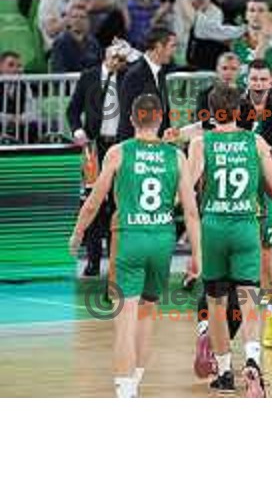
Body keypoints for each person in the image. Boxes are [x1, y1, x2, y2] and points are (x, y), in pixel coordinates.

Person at [69, 94, 200, 398]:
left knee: (124, 321)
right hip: (162, 240)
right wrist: (197, 254)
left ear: (130, 119)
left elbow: (93, 203)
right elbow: (191, 212)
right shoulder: (176, 156)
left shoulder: (118, 152)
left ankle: (126, 393)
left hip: (129, 237)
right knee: (146, 314)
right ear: (160, 119)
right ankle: (136, 382)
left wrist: (77, 235)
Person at [187, 86, 272, 396]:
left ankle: (225, 372)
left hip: (213, 227)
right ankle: (252, 360)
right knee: (249, 299)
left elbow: (185, 191)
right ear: (239, 111)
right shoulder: (255, 142)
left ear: (211, 113)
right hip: (246, 227)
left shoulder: (201, 143)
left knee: (215, 302)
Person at [66, 40, 133, 276]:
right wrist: (77, 130)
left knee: (118, 202)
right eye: (114, 56)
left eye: (121, 57)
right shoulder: (89, 76)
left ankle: (118, 259)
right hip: (93, 148)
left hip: (120, 147)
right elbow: (72, 109)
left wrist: (131, 54)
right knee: (92, 201)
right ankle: (93, 261)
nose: (118, 61)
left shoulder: (129, 77)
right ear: (105, 54)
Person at [117, 27, 176, 140]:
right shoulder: (135, 75)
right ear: (159, 47)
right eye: (172, 46)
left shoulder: (161, 72)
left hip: (156, 143)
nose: (174, 51)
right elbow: (128, 115)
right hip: (137, 145)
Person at [50, 3, 102, 73]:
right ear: (68, 21)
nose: (78, 20)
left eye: (82, 17)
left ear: (88, 22)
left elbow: (100, 68)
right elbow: (57, 71)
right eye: (74, 17)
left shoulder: (94, 43)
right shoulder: (60, 42)